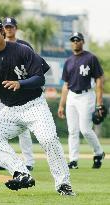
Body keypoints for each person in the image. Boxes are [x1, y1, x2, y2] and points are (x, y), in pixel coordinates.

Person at [0, 15, 75, 196]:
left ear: (1, 31)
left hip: (35, 106)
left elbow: (40, 78)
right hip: (11, 111)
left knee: (49, 140)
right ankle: (21, 173)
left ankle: (63, 184)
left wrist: (20, 83)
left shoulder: (22, 50)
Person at [0, 17, 35, 171]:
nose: (8, 29)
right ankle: (1, 160)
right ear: (2, 29)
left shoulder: (24, 46)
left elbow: (33, 68)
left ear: (16, 28)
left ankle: (28, 161)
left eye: (11, 26)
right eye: (6, 27)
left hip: (19, 91)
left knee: (23, 127)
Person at [58, 32, 105, 169]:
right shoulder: (68, 61)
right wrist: (61, 105)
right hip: (72, 96)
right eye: (73, 40)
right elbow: (65, 85)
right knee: (72, 130)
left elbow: (99, 79)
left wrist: (99, 103)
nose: (75, 42)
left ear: (83, 42)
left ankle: (98, 152)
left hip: (86, 95)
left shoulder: (91, 58)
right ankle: (73, 161)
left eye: (78, 40)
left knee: (85, 130)